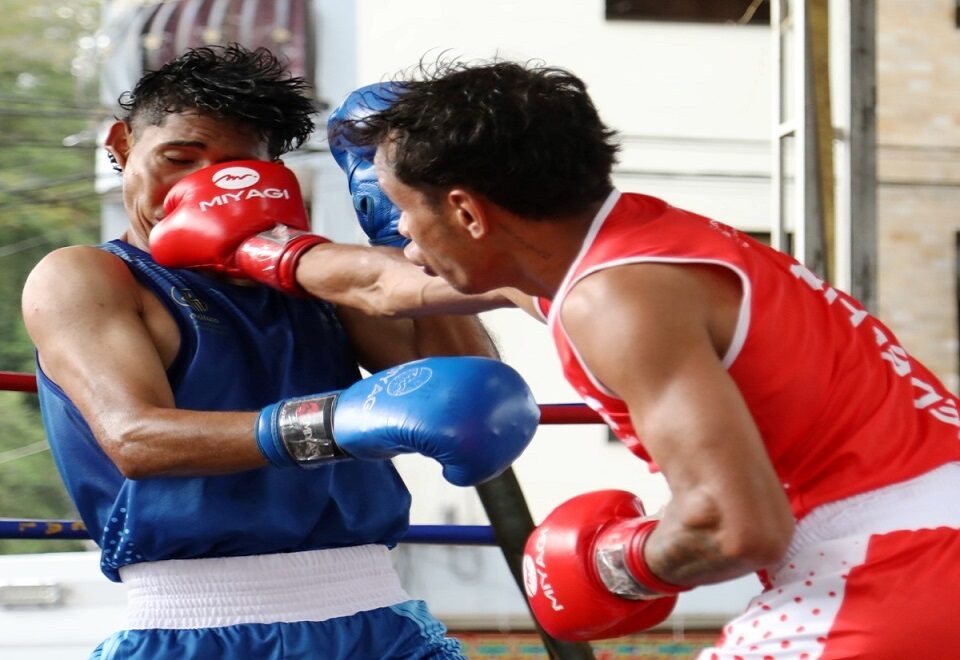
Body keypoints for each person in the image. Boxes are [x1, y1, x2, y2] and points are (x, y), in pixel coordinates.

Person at [158, 59, 960, 658]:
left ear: (467, 210)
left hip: (898, 563)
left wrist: (614, 565)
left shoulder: (615, 302)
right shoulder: (616, 250)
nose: (400, 234)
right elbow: (391, 286)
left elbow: (734, 526)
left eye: (404, 212)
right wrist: (264, 250)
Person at [20, 45, 542, 660]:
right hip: (198, 629)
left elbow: (466, 394)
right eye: (179, 159)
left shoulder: (312, 274)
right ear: (121, 145)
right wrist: (335, 423)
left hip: (379, 617)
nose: (199, 190)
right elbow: (137, 439)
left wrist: (418, 232)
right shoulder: (87, 277)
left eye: (234, 169)